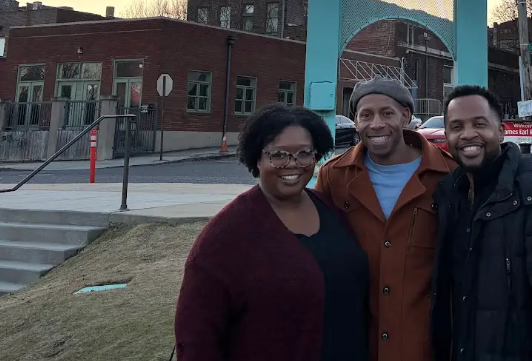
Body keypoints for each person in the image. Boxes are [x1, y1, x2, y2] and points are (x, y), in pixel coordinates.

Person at [174, 105, 369, 361]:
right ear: (257, 157)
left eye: (304, 153)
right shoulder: (225, 236)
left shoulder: (330, 209)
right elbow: (196, 336)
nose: (292, 164)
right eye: (278, 155)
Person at [431, 85, 532, 361]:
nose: (468, 134)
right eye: (457, 126)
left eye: (479, 124)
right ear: (447, 136)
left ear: (501, 131)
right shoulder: (449, 197)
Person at [316, 77, 456, 361]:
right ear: (355, 121)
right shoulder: (334, 176)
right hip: (353, 341)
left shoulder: (449, 176)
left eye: (387, 113)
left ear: (406, 116)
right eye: (365, 115)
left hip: (423, 343)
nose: (376, 124)